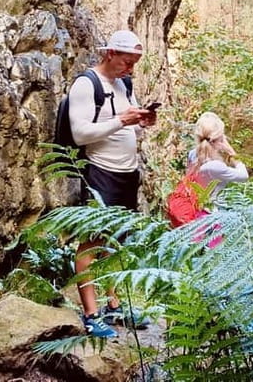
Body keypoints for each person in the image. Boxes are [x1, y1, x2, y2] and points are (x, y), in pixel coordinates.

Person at [68, 29, 157, 338]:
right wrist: (122, 120)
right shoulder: (86, 84)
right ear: (110, 54)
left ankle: (114, 305)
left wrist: (141, 121)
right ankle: (91, 314)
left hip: (127, 173)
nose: (130, 69)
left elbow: (129, 127)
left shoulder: (124, 84)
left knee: (116, 240)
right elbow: (80, 133)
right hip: (100, 173)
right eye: (126, 62)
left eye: (134, 64)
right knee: (92, 241)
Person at [187, 111, 248, 201]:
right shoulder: (215, 166)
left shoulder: (192, 154)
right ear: (219, 138)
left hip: (196, 204)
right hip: (212, 208)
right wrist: (231, 151)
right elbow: (244, 176)